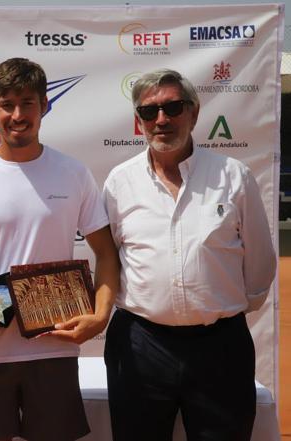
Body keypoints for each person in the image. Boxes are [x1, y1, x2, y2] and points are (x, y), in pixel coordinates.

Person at [0, 57, 120, 441]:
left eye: (27, 103)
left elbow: (105, 252)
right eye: (7, 104)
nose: (17, 115)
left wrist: (100, 316)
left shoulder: (73, 173)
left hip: (54, 348)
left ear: (45, 106)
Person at [103, 69, 276, 441]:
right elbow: (109, 257)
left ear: (194, 113)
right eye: (149, 112)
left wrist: (217, 310)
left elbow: (260, 261)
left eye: (172, 107)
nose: (161, 119)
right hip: (139, 344)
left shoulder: (234, 176)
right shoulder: (119, 182)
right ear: (139, 122)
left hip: (220, 348)